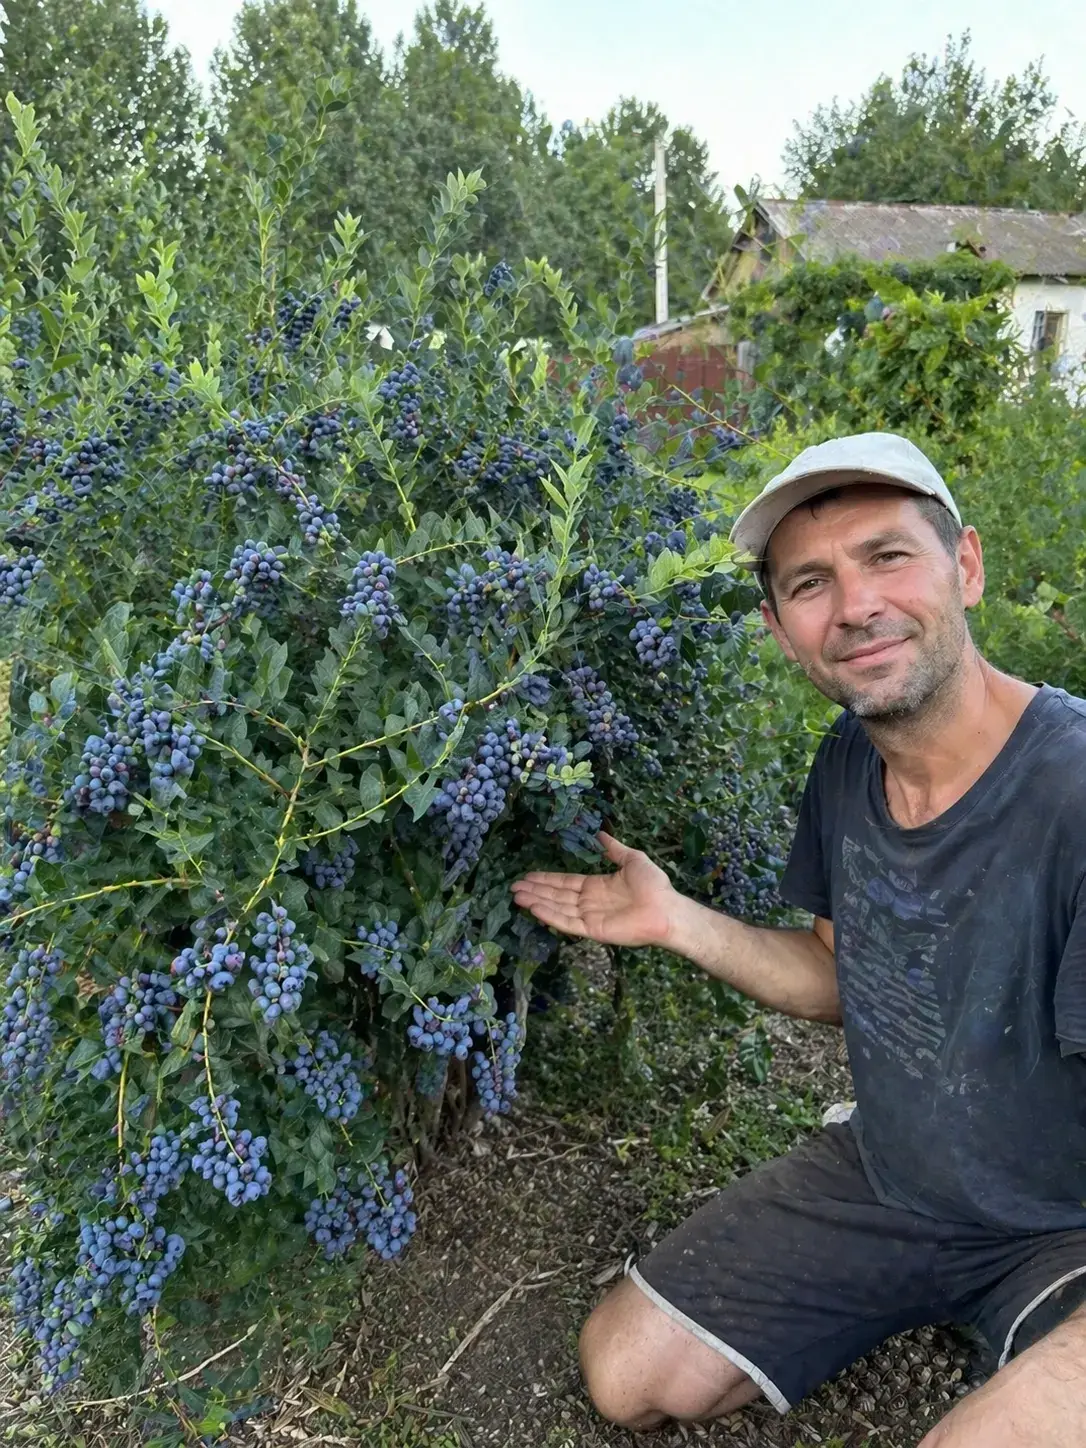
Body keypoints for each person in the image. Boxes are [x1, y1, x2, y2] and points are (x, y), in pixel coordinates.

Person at [511, 432, 1086, 1446]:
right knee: (627, 1372)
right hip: (896, 1182)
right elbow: (836, 974)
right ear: (782, 630)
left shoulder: (1072, 792)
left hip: (1068, 1228)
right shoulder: (849, 763)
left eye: (887, 556)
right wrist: (678, 921)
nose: (855, 605)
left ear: (966, 567)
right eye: (810, 583)